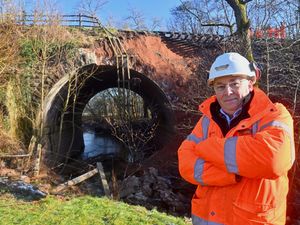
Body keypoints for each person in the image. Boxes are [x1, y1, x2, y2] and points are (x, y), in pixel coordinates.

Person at [178, 52, 295, 225]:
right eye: (220, 86)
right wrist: (234, 172)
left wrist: (208, 147)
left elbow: (273, 161)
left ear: (250, 82)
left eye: (234, 83)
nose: (228, 92)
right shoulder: (206, 120)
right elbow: (186, 163)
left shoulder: (274, 114)